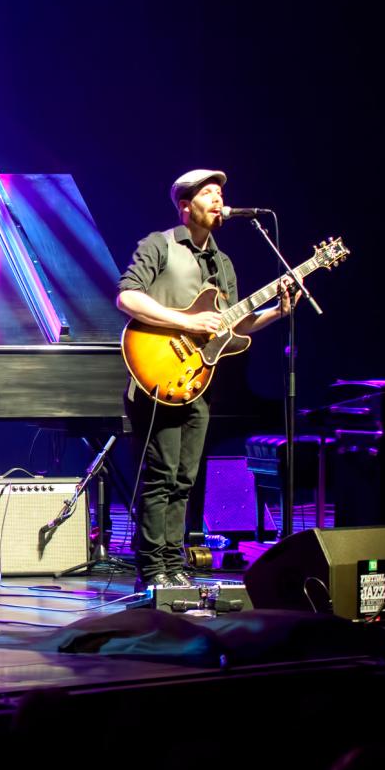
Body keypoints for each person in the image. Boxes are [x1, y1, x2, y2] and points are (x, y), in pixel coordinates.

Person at [116, 170, 292, 589]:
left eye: (221, 193)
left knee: (184, 479)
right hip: (158, 376)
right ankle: (152, 567)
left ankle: (173, 563)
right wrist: (186, 320)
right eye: (208, 193)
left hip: (198, 385)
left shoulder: (222, 263)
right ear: (185, 205)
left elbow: (233, 327)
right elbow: (127, 296)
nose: (219, 199)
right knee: (160, 475)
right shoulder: (159, 245)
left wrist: (278, 311)